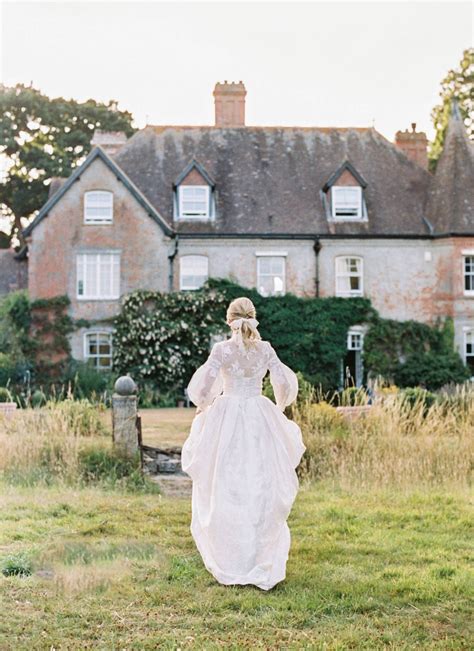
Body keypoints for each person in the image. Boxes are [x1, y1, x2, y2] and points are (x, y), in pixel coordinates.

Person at [181, 297, 306, 591]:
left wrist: (205, 406)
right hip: (258, 415)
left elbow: (201, 390)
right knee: (260, 486)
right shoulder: (265, 349)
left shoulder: (222, 350)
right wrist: (279, 405)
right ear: (253, 318)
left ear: (229, 320)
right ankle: (256, 556)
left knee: (226, 486)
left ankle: (233, 558)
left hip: (227, 418)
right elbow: (285, 384)